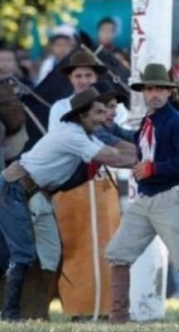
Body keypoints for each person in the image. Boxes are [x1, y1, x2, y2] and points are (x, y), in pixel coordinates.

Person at [0, 87, 136, 320]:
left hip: (36, 194)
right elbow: (109, 156)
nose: (104, 117)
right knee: (22, 254)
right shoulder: (73, 135)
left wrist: (146, 157)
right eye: (99, 112)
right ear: (82, 114)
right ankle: (9, 313)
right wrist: (151, 161)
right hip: (13, 189)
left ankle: (37, 311)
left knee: (52, 254)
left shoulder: (84, 134)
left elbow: (117, 151)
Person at [104, 63, 179, 324]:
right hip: (147, 199)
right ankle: (118, 316)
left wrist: (154, 168)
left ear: (170, 92)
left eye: (160, 88)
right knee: (117, 252)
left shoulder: (177, 123)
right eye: (150, 88)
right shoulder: (152, 121)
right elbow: (138, 140)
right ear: (144, 93)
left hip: (170, 198)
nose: (154, 93)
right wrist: (112, 129)